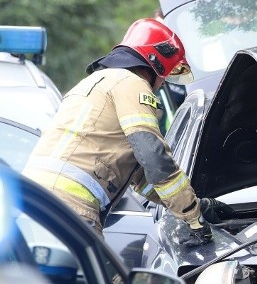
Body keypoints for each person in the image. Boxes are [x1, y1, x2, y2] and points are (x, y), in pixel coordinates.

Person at [23, 18, 233, 246]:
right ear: (156, 63)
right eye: (166, 75)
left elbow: (142, 178)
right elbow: (153, 157)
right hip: (71, 206)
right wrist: (193, 217)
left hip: (33, 200)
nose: (163, 84)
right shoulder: (130, 83)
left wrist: (195, 204)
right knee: (102, 280)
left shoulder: (95, 82)